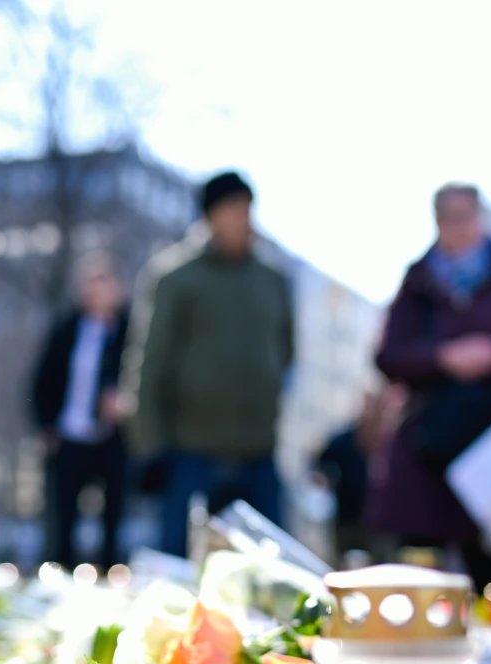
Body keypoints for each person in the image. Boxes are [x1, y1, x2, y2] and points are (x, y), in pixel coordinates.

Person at [368, 183, 491, 587]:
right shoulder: (417, 280)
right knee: (415, 571)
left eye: (467, 216)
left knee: (484, 567)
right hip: (425, 441)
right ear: (437, 222)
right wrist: (442, 357)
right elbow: (386, 355)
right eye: (450, 218)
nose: (460, 226)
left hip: (488, 440)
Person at [123, 171, 294, 559]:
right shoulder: (176, 277)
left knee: (272, 569)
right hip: (191, 452)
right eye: (232, 210)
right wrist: (149, 444)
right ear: (209, 217)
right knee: (179, 563)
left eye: (247, 209)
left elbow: (285, 352)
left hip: (257, 453)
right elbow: (150, 363)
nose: (243, 219)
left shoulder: (273, 280)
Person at [30, 252, 131, 570]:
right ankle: (59, 573)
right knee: (62, 518)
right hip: (70, 436)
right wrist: (47, 428)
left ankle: (110, 573)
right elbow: (41, 383)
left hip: (113, 439)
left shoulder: (130, 332)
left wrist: (125, 402)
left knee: (114, 517)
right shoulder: (67, 331)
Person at [313, 390, 393, 565]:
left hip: (380, 526)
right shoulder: (343, 441)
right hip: (347, 520)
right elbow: (320, 465)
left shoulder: (392, 444)